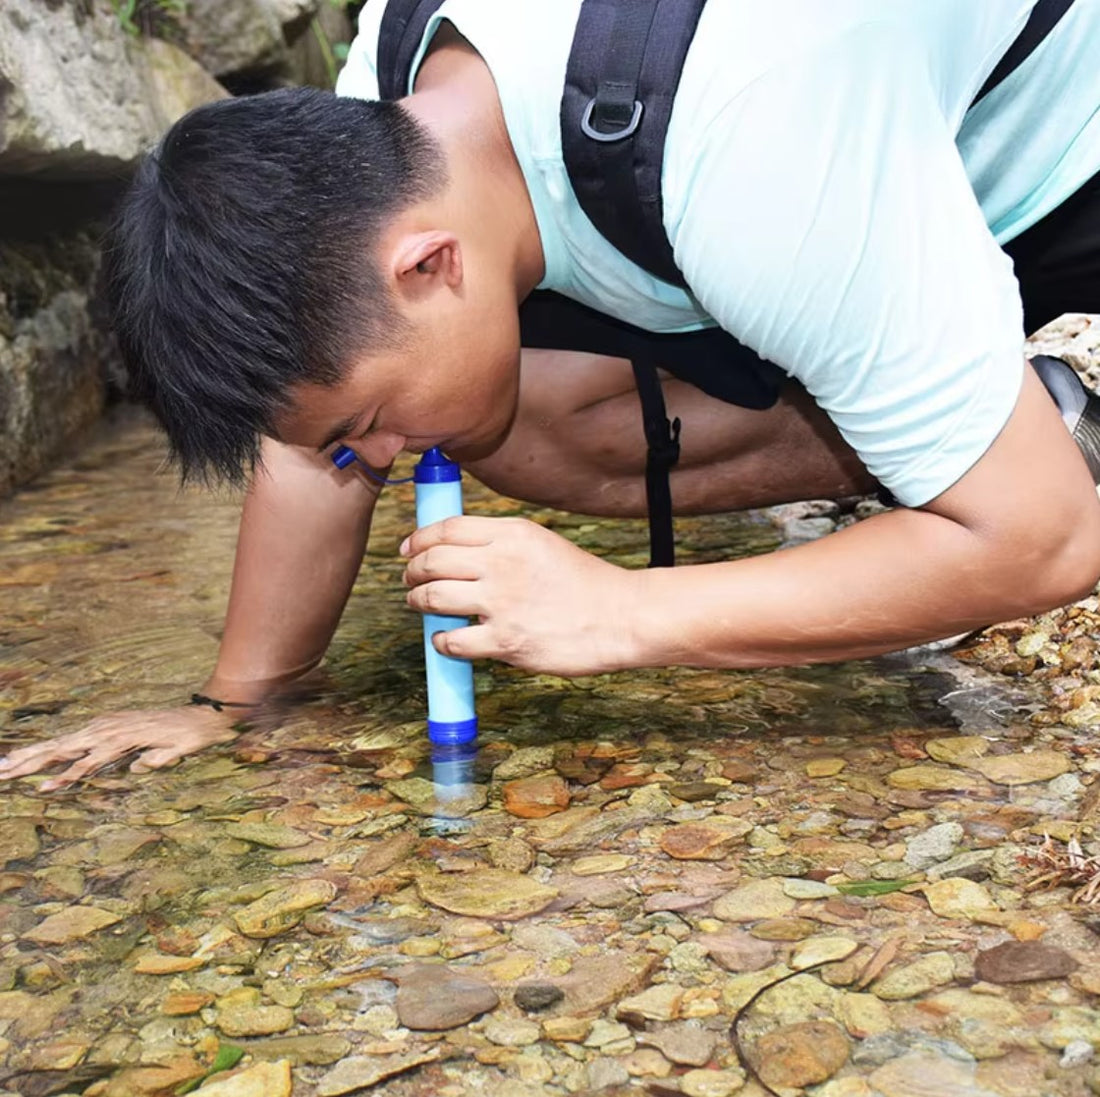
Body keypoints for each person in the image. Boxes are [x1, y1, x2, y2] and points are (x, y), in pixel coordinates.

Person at [3, 0, 1100, 789]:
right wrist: (230, 705)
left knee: (1013, 511)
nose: (376, 460)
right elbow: (309, 451)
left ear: (427, 264)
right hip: (843, 183)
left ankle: (993, 442)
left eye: (364, 421)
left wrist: (617, 612)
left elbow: (1050, 547)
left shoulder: (753, 159)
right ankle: (1022, 413)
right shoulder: (383, 115)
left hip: (1059, 162)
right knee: (525, 432)